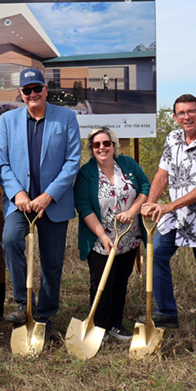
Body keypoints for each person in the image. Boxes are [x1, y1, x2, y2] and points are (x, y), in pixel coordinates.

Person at [0, 67, 81, 342]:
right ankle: (23, 303)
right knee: (9, 241)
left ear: (46, 90)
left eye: (36, 88)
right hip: (20, 203)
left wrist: (49, 195)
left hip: (52, 204)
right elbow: (3, 162)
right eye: (26, 90)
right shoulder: (8, 120)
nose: (32, 94)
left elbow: (72, 161)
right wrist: (18, 193)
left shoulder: (66, 117)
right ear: (21, 94)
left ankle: (44, 316)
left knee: (52, 263)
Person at [141, 94, 196, 351]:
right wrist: (152, 202)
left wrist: (168, 205)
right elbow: (162, 173)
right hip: (177, 218)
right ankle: (167, 312)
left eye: (191, 111)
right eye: (181, 113)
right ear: (175, 117)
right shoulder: (172, 138)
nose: (186, 117)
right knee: (156, 253)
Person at [73, 127, 149, 342]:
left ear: (114, 146)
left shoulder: (128, 165)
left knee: (120, 280)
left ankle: (115, 323)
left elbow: (145, 186)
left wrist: (133, 211)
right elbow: (84, 207)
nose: (102, 148)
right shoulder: (86, 173)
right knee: (101, 281)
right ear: (91, 149)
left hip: (128, 235)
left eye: (106, 143)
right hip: (100, 238)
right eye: (96, 145)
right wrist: (103, 236)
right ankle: (100, 326)